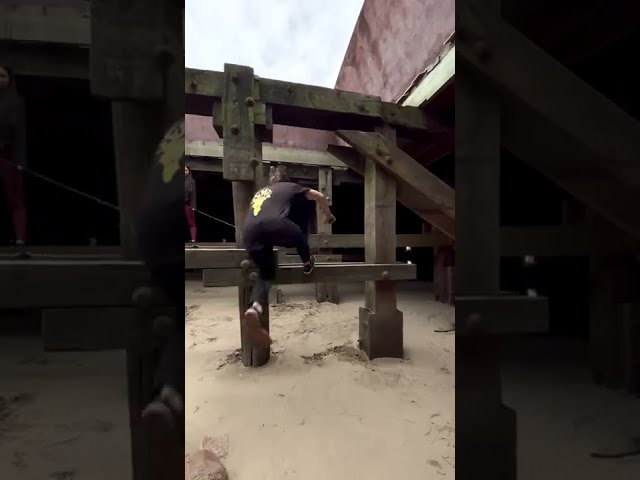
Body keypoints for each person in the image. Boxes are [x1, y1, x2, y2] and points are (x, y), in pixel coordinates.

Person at [136, 119, 185, 475]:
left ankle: (155, 286)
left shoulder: (171, 128)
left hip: (147, 236)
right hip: (175, 228)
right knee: (189, 311)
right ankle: (170, 389)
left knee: (173, 286)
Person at [242, 167, 335, 347]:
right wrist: (329, 216)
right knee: (299, 234)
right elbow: (320, 196)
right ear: (287, 179)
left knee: (266, 274)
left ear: (271, 180)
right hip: (274, 224)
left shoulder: (261, 191)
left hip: (249, 232)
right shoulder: (290, 187)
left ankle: (254, 308)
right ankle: (307, 263)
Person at [0, 65, 27, 246]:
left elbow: (20, 135)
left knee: (15, 198)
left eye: (1, 75)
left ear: (9, 79)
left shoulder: (16, 102)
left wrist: (19, 162)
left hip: (7, 157)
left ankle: (20, 239)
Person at [184, 165, 198, 247]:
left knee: (192, 223)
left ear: (189, 172)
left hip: (188, 205)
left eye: (186, 170)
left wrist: (193, 207)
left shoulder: (192, 181)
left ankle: (193, 241)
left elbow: (193, 195)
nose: (184, 172)